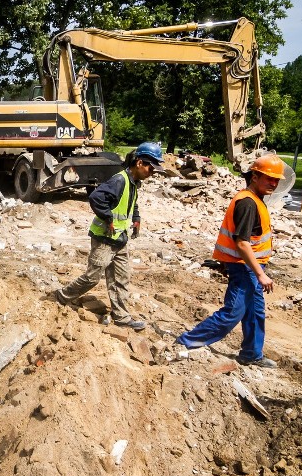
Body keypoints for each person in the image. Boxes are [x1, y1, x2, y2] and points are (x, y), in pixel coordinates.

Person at [176, 154, 285, 368]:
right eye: (269, 178)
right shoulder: (247, 203)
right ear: (255, 176)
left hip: (251, 266)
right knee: (233, 313)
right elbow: (242, 243)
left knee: (255, 311)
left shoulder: (255, 199)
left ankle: (251, 354)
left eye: (276, 180)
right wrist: (261, 274)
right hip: (245, 267)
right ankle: (186, 342)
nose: (273, 183)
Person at [55, 142, 165, 330]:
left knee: (121, 278)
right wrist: (108, 218)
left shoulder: (133, 183)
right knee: (92, 277)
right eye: (150, 167)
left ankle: (121, 317)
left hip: (120, 239)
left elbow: (132, 203)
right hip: (105, 238)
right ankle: (62, 296)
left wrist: (136, 218)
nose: (152, 172)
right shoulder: (119, 180)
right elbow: (96, 198)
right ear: (139, 163)